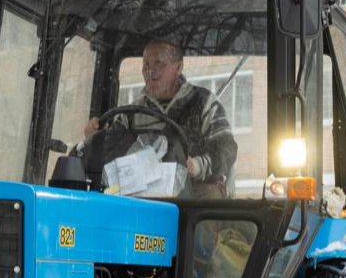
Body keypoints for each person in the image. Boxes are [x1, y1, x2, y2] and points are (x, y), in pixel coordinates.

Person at [88, 39, 239, 197]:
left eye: (158, 63)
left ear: (178, 67)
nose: (150, 70)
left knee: (210, 196)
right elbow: (112, 153)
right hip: (143, 193)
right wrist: (95, 139)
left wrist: (196, 166)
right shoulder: (131, 114)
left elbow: (227, 148)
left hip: (195, 194)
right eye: (146, 64)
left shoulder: (204, 103)